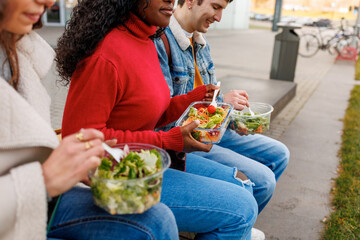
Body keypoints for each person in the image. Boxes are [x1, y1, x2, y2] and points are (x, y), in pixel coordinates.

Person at [56, 0, 259, 239]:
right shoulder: (105, 55)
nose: (171, 0)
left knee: (246, 193)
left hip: (148, 164)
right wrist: (167, 141)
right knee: (242, 210)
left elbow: (151, 112)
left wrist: (193, 99)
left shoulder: (146, 39)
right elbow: (79, 141)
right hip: (117, 180)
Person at [0, 0, 180, 239]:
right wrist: (43, 180)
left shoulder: (19, 51)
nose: (48, 2)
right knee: (235, 207)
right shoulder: (107, 52)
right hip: (34, 202)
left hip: (47, 194)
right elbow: (80, 132)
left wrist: (192, 102)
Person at [154, 0, 290, 238]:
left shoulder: (200, 40)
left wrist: (235, 117)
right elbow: (165, 119)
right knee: (262, 182)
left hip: (213, 129)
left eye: (223, 10)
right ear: (188, 1)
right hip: (187, 139)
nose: (219, 18)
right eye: (216, 7)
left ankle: (235, 226)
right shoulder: (160, 41)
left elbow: (212, 99)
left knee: (280, 154)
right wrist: (221, 104)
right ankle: (231, 222)